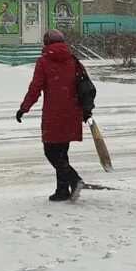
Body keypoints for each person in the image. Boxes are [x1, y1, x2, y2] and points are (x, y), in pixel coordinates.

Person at [16, 29, 86, 202]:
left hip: (53, 113)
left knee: (50, 152)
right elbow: (84, 86)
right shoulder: (73, 60)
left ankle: (75, 180)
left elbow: (35, 88)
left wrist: (24, 108)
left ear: (46, 43)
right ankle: (62, 190)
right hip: (72, 112)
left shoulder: (44, 61)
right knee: (62, 151)